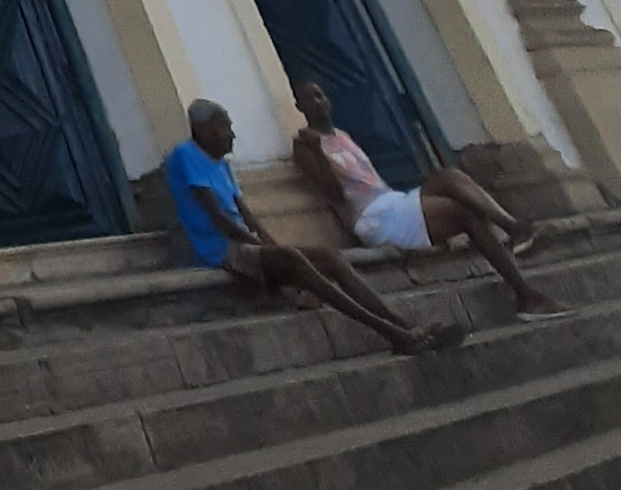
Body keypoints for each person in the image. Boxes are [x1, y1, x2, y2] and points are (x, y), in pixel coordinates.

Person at [168, 99, 458, 357]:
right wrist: (270, 248)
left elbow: (247, 216)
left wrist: (273, 244)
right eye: (224, 127)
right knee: (294, 260)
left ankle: (407, 326)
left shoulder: (221, 164)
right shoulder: (186, 156)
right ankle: (396, 335)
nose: (232, 135)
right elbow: (220, 219)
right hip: (220, 248)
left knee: (330, 258)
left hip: (245, 244)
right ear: (205, 130)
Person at [292, 79, 565, 317]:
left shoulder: (342, 135)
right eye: (311, 98)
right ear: (300, 106)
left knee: (450, 177)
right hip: (373, 218)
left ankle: (513, 227)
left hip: (392, 202)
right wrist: (317, 152)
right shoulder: (304, 146)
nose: (320, 102)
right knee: (463, 213)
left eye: (321, 95)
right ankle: (526, 295)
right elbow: (335, 195)